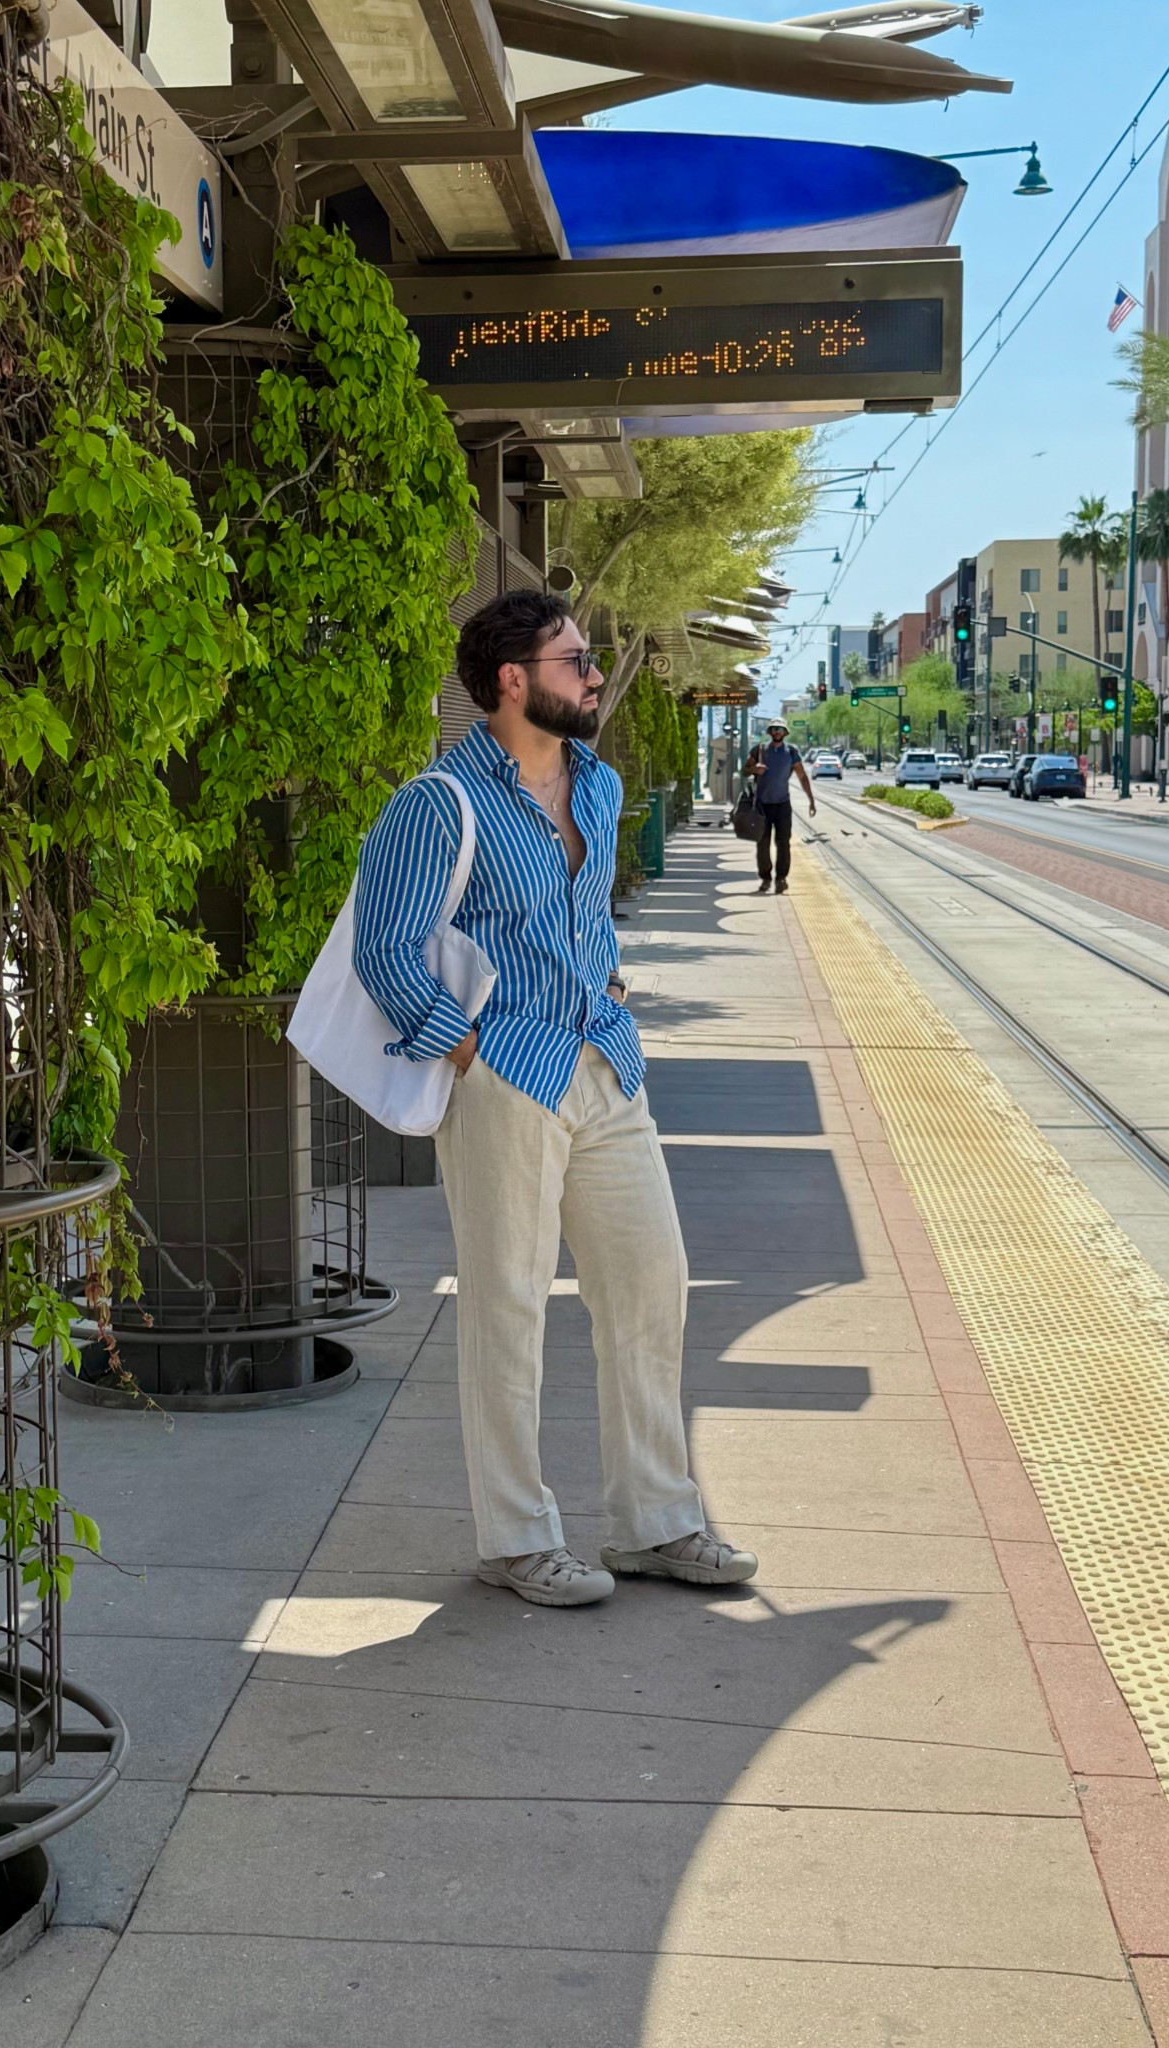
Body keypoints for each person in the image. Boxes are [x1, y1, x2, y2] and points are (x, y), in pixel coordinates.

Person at [352, 589, 757, 1608]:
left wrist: (612, 995)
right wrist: (468, 1050)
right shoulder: (438, 802)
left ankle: (656, 1521)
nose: (592, 671)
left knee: (651, 1280)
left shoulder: (600, 783)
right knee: (508, 1304)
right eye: (574, 658)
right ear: (512, 680)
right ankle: (517, 1536)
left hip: (605, 1063)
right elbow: (384, 948)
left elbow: (588, 921)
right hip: (507, 1075)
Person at [743, 719, 814, 895]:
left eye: (780, 729)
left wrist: (811, 800)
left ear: (785, 733)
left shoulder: (791, 752)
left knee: (783, 843)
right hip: (762, 805)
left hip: (782, 805)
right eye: (774, 729)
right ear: (770, 732)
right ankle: (766, 878)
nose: (777, 732)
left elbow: (802, 776)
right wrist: (754, 769)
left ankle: (781, 878)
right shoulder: (759, 750)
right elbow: (745, 770)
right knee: (763, 844)